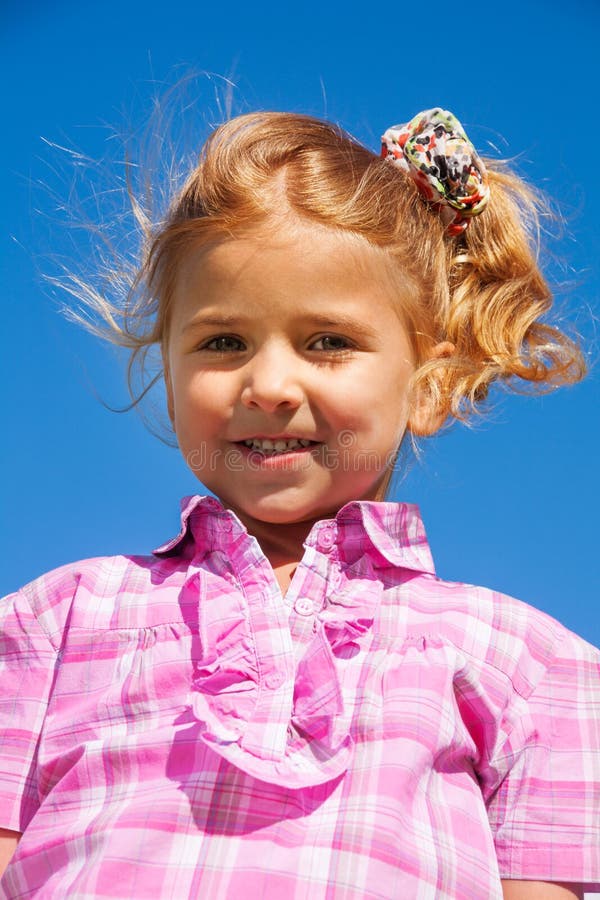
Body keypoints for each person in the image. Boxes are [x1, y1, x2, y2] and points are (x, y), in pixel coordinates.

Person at [0, 108, 598, 900]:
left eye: (327, 341)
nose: (271, 386)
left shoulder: (531, 666)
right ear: (168, 378)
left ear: (431, 384)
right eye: (222, 342)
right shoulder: (55, 622)